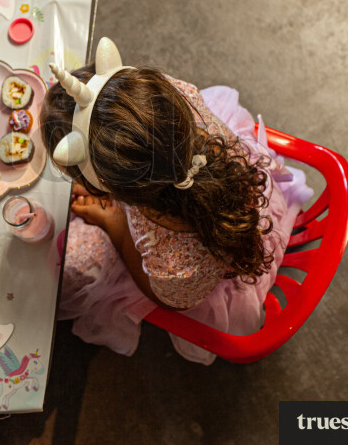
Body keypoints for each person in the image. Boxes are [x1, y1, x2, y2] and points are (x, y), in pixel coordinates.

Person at [41, 38, 313, 364]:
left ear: (114, 191)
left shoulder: (170, 259)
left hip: (198, 268)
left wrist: (115, 224)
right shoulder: (178, 95)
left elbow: (170, 299)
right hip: (233, 176)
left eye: (77, 178)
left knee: (69, 270)